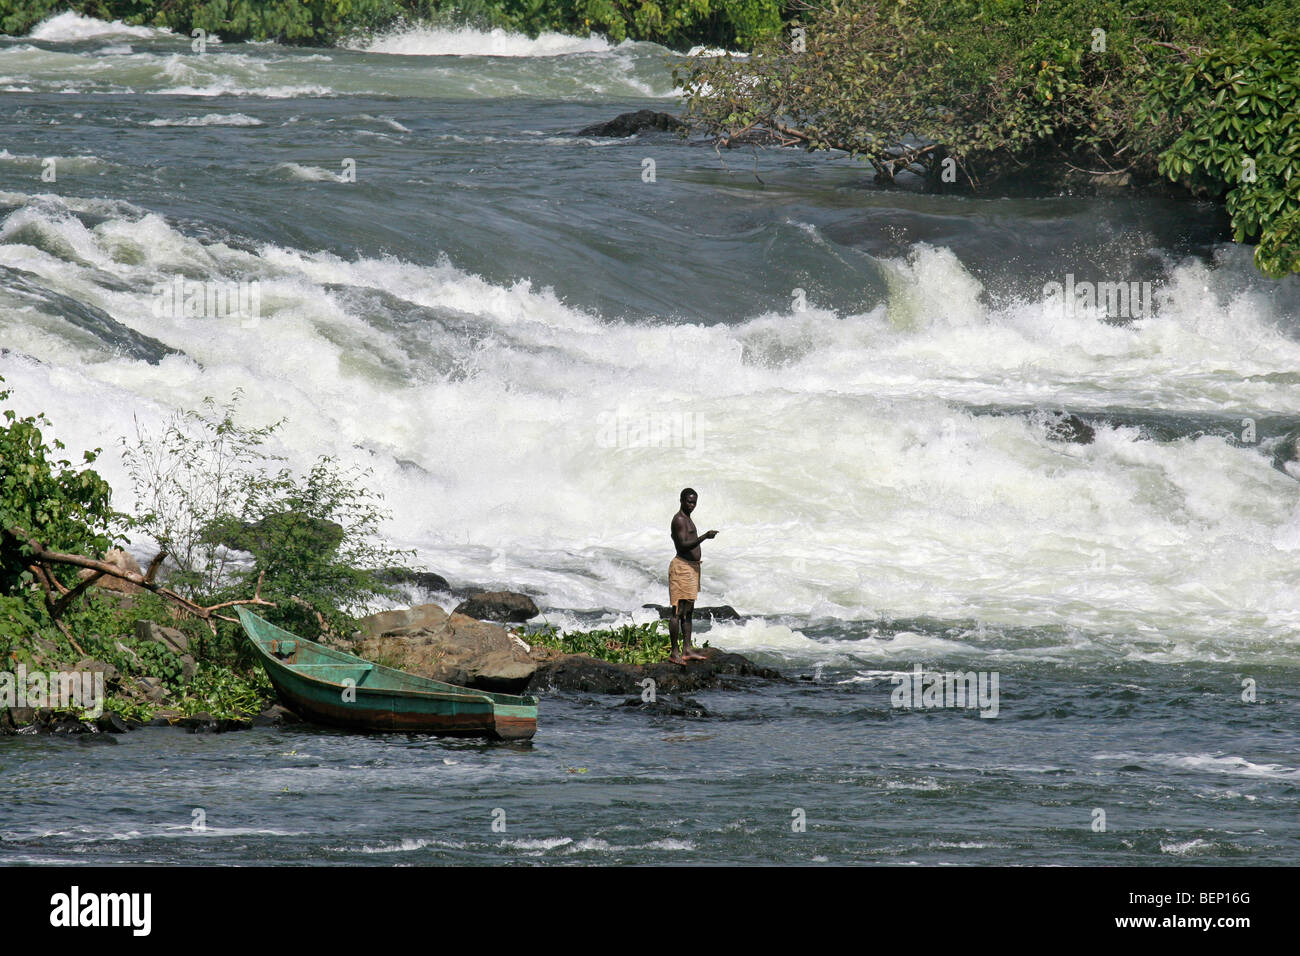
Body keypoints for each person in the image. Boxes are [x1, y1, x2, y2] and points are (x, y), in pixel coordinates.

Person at [667, 487, 718, 665]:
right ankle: (675, 653)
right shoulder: (679, 520)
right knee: (676, 611)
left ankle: (687, 649)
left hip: (691, 568)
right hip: (681, 567)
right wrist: (704, 537)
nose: (692, 505)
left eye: (694, 502)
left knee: (688, 612)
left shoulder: (687, 518)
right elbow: (683, 545)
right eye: (689, 501)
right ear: (681, 500)